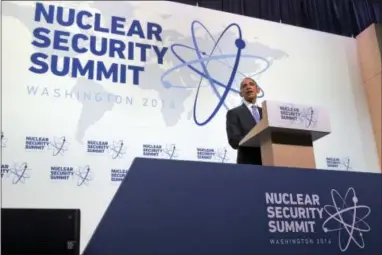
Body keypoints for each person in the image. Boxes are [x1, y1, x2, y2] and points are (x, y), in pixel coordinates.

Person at [226, 77, 262, 165]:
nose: (248, 87)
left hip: (271, 162)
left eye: (251, 84)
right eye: (244, 86)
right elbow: (234, 141)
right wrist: (260, 140)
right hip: (248, 164)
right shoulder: (233, 113)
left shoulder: (267, 112)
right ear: (241, 94)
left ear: (258, 90)